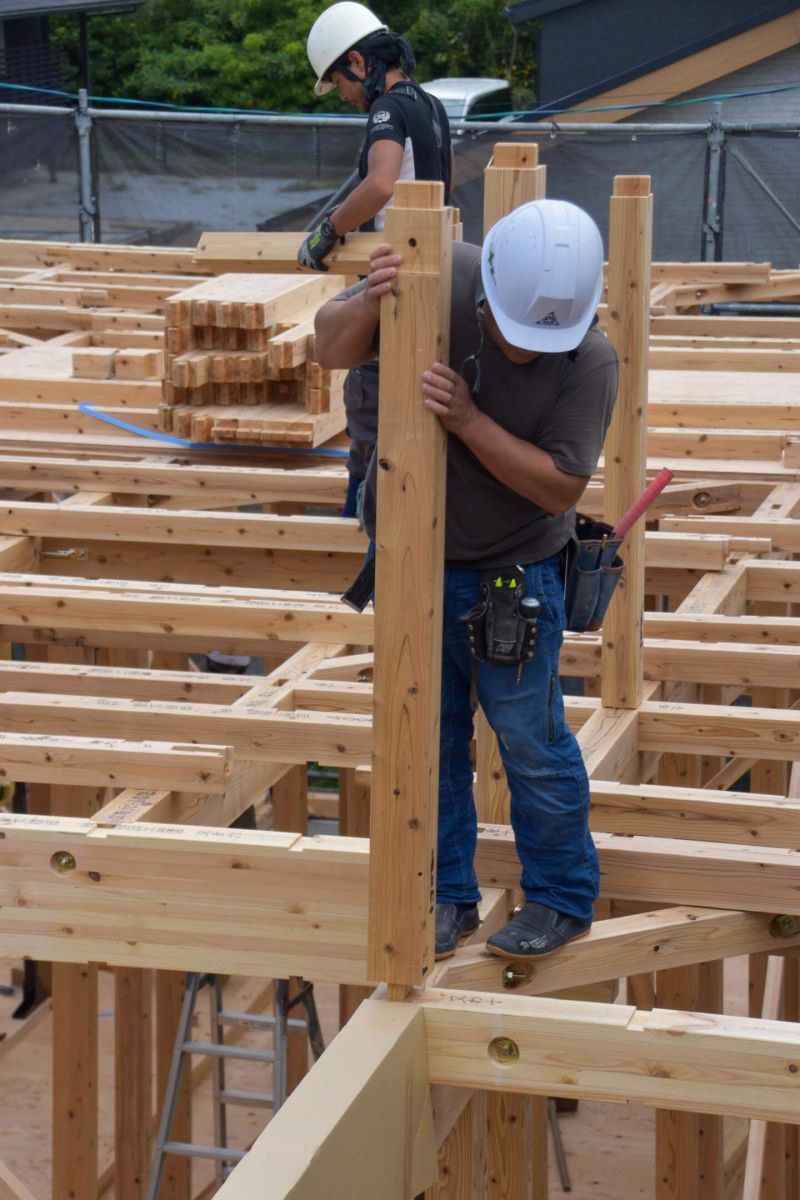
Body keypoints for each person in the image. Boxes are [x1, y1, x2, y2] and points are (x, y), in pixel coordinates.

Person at [315, 198, 619, 959]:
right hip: (414, 558)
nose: (524, 353)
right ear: (485, 290)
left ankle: (560, 896)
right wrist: (374, 296)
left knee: (530, 741)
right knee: (431, 735)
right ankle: (447, 894)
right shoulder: (437, 272)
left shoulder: (589, 357)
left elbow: (559, 487)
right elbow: (328, 347)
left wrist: (471, 420)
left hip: (514, 570)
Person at [300, 1, 453, 516]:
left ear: (359, 63)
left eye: (339, 81)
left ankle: (362, 528)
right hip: (432, 276)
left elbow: (382, 182)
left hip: (394, 279)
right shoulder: (431, 104)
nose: (342, 95)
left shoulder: (386, 108)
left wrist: (328, 230)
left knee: (367, 404)